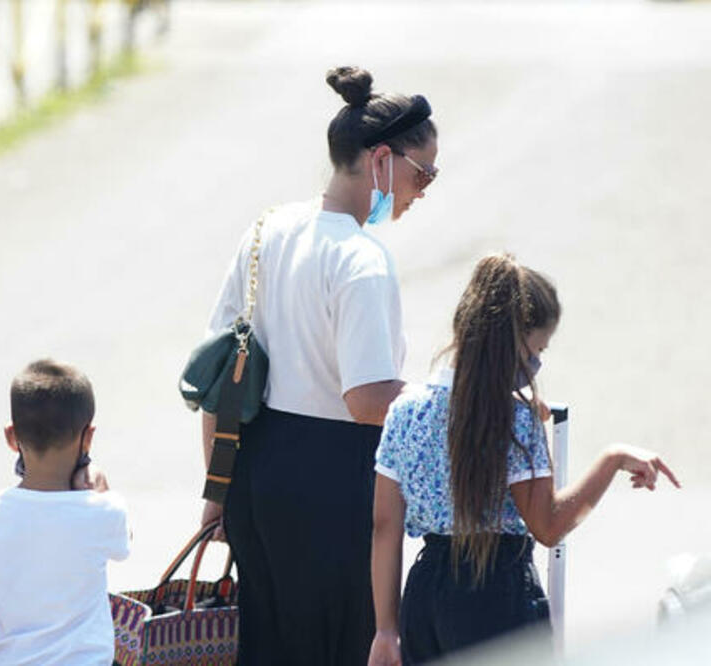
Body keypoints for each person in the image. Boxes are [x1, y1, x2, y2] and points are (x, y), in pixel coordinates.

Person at [198, 65, 439, 665]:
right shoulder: (361, 259)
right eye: (423, 173)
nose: (424, 189)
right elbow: (365, 399)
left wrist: (217, 490)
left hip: (258, 469)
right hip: (333, 479)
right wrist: (446, 402)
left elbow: (219, 377)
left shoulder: (265, 231)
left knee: (268, 647)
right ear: (382, 159)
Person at [368, 254, 681, 666]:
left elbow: (385, 526)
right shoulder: (513, 420)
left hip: (424, 597)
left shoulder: (406, 411)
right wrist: (612, 459)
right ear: (510, 344)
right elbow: (549, 525)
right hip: (496, 595)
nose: (537, 363)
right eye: (536, 349)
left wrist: (386, 629)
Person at [0, 359, 130, 666]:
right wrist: (98, 478)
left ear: (11, 436)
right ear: (88, 437)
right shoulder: (104, 511)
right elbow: (124, 542)